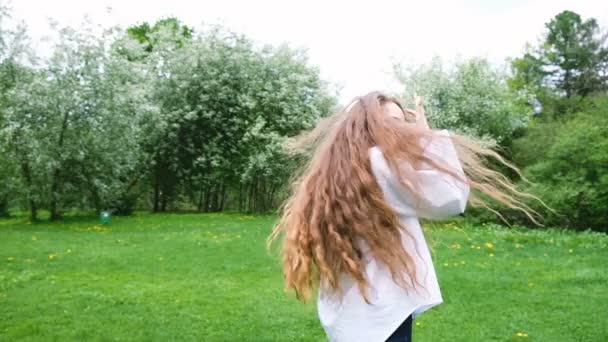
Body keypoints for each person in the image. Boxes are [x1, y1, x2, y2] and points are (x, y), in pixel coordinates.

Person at [267, 91, 549, 342]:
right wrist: (427, 136)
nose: (399, 128)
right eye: (390, 120)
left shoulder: (341, 172)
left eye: (402, 121)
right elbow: (449, 198)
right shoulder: (380, 163)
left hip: (351, 313)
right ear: (369, 126)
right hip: (382, 313)